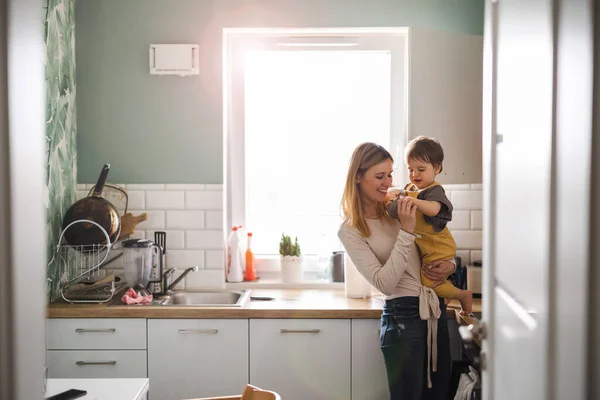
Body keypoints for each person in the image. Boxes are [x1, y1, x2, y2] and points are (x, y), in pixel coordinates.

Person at [338, 142, 455, 399]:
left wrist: (451, 265)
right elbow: (385, 283)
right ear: (358, 177)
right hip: (402, 320)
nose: (388, 182)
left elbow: (438, 241)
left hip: (434, 309)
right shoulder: (351, 230)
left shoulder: (397, 207)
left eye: (390, 174)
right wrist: (407, 230)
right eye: (380, 176)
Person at [386, 136, 472, 315]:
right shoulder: (411, 188)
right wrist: (395, 196)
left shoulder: (434, 190)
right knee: (435, 281)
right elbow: (395, 205)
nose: (414, 174)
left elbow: (434, 209)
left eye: (421, 169)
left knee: (429, 280)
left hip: (438, 246)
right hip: (428, 246)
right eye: (410, 169)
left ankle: (462, 295)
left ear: (437, 168)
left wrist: (410, 200)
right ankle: (447, 293)